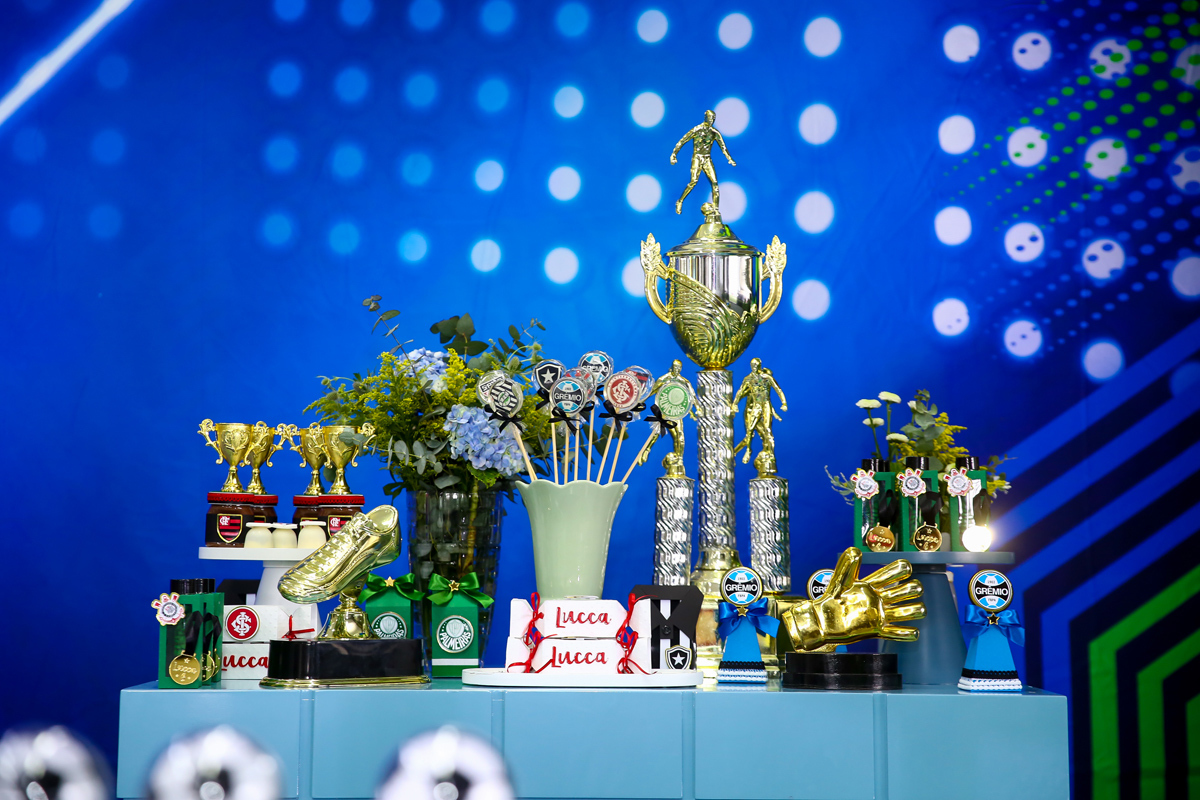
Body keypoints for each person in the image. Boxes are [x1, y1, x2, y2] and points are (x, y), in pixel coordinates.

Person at [670, 109, 736, 215]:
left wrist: (729, 158)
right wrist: (674, 154)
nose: (712, 120)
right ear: (705, 118)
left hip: (707, 158)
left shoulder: (714, 133)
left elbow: (723, 147)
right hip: (697, 157)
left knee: (715, 183)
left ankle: (716, 210)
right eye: (710, 118)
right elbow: (683, 140)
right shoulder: (697, 129)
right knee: (693, 181)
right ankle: (680, 201)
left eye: (713, 118)